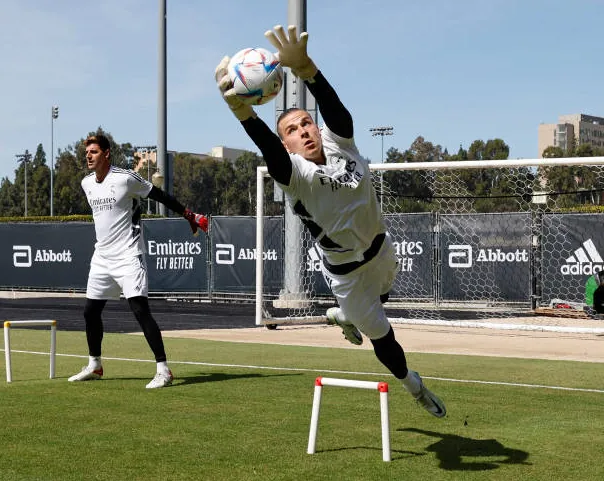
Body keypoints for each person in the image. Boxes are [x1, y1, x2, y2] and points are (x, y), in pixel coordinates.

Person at [215, 25, 446, 417]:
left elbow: (338, 112)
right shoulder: (296, 175)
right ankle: (414, 385)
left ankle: (345, 315)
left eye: (306, 123)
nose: (303, 131)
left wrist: (308, 69)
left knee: (382, 298)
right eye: (292, 130)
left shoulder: (340, 142)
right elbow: (270, 152)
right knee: (383, 338)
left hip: (382, 250)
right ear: (286, 143)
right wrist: (244, 114)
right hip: (348, 274)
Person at [69, 134, 208, 389]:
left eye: (94, 152)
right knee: (90, 312)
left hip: (129, 255)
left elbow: (159, 195)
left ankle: (163, 370)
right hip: (101, 257)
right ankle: (95, 365)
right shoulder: (86, 183)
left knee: (139, 310)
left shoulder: (125, 178)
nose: (88, 156)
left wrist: (188, 214)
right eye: (87, 152)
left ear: (107, 153)